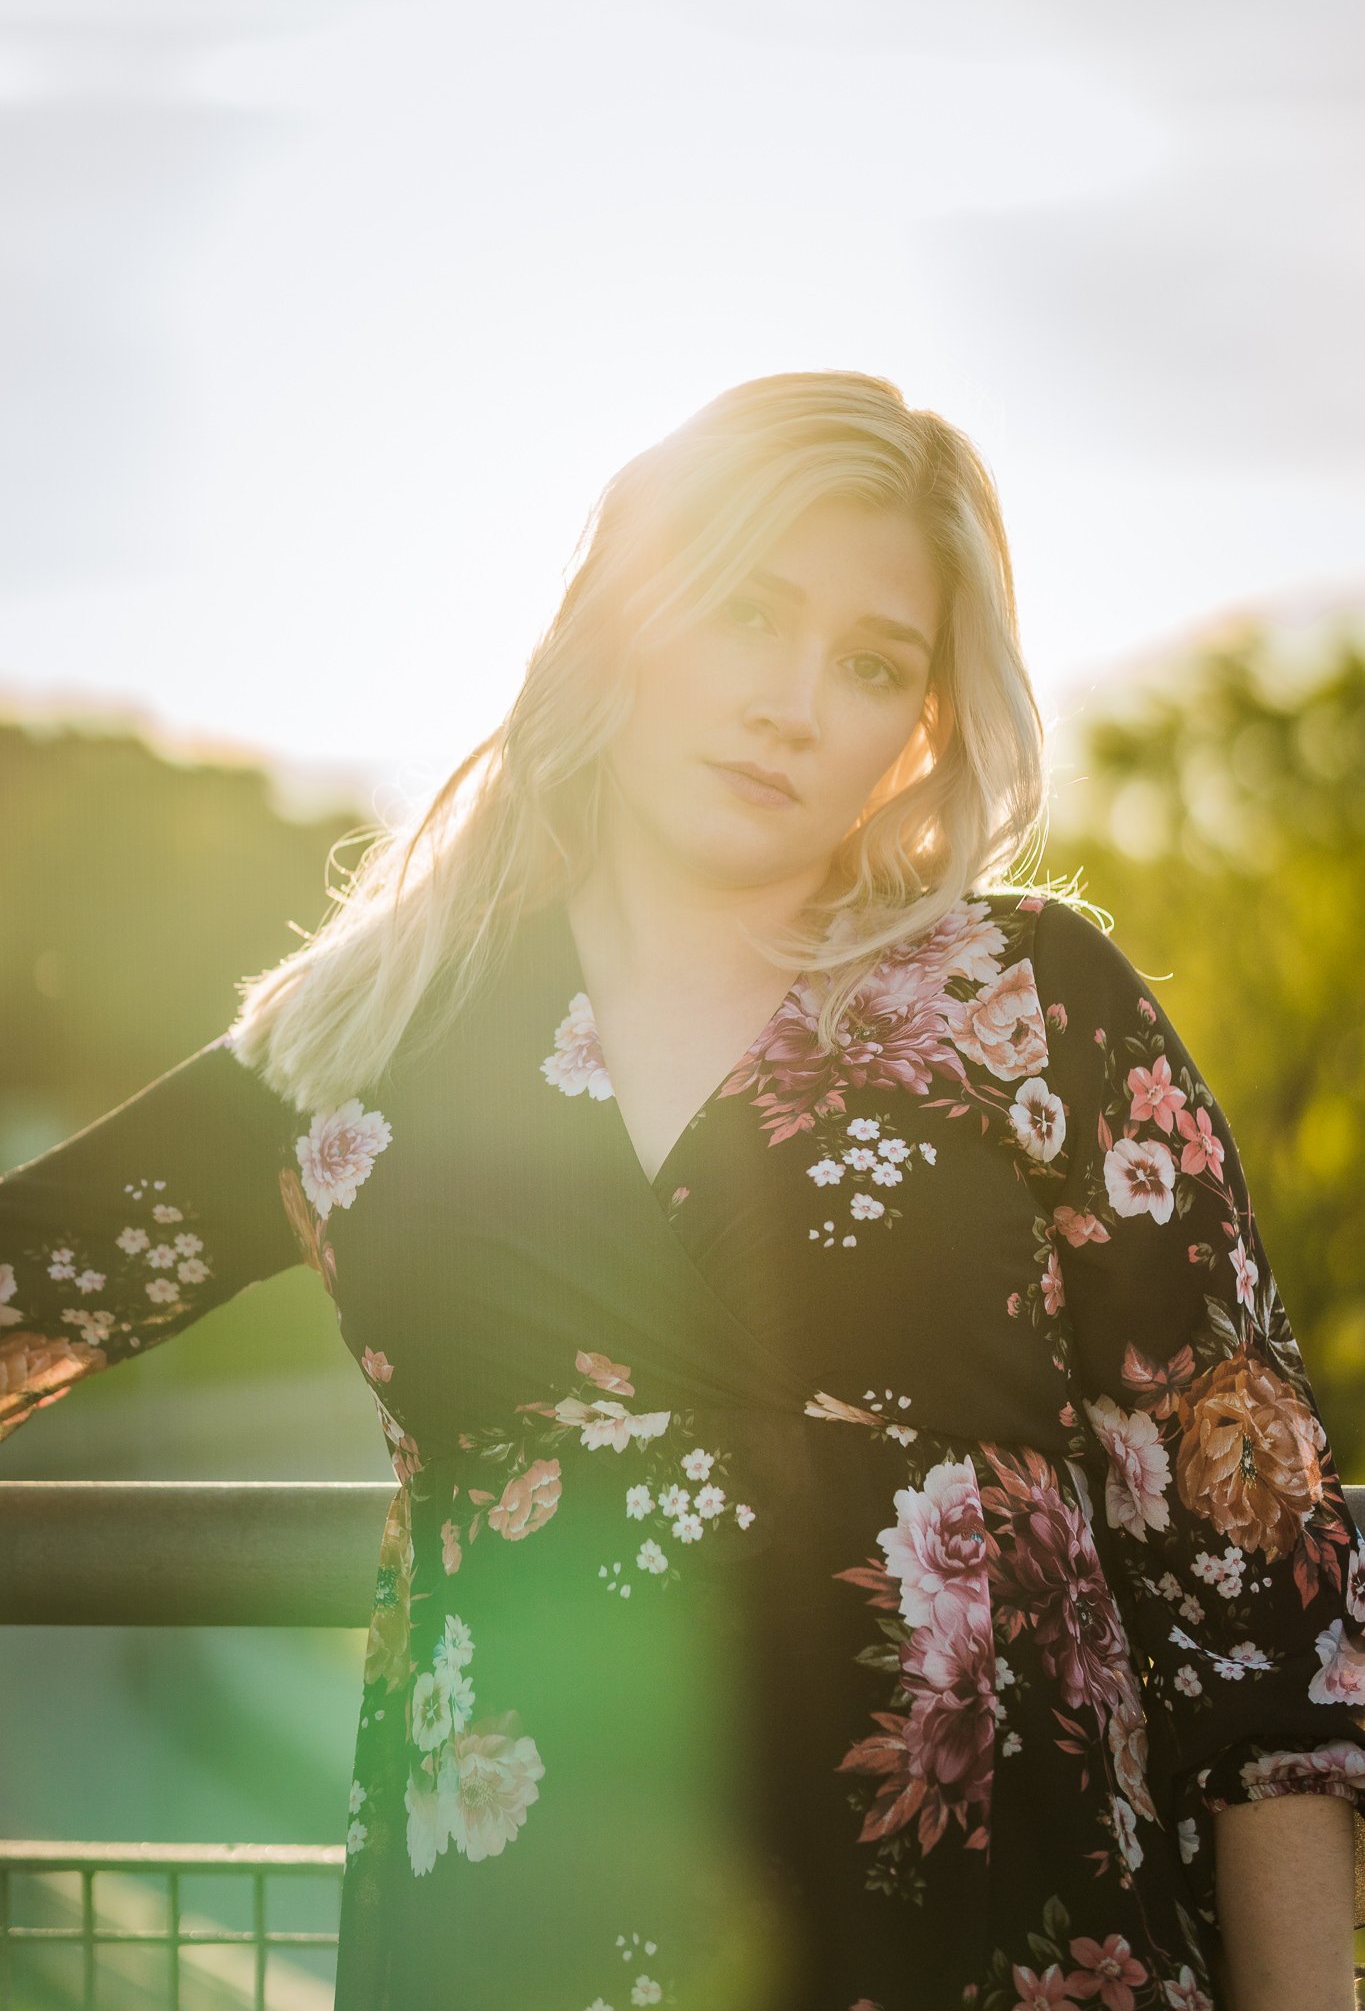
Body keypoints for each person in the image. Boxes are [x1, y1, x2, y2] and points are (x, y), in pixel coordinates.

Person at [1, 370, 1361, 2011]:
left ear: (921, 722)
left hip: (997, 1949)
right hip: (516, 1948)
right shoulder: (371, 1039)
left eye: (871, 664)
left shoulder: (1027, 1002)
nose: (792, 701)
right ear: (623, 620)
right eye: (742, 612)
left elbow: (1254, 1610)